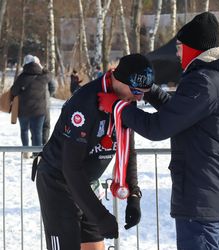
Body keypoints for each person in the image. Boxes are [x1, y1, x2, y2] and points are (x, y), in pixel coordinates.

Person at [99, 12, 219, 250]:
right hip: (211, 191)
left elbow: (159, 127)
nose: (177, 53)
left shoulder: (205, 82)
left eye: (180, 47)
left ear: (193, 48)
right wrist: (149, 90)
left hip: (201, 195)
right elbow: (181, 114)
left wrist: (119, 108)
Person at [32, 54, 153, 250]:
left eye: (143, 93)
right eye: (135, 91)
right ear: (118, 79)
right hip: (58, 182)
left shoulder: (125, 101)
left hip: (85, 185)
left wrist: (134, 195)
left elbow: (127, 149)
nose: (139, 97)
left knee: (95, 247)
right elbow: (70, 168)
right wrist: (100, 215)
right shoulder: (85, 102)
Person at [11, 54, 52, 158]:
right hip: (39, 111)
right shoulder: (42, 77)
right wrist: (43, 68)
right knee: (37, 132)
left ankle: (25, 151)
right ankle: (36, 154)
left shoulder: (21, 77)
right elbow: (50, 75)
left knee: (24, 130)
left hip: (23, 110)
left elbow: (14, 91)